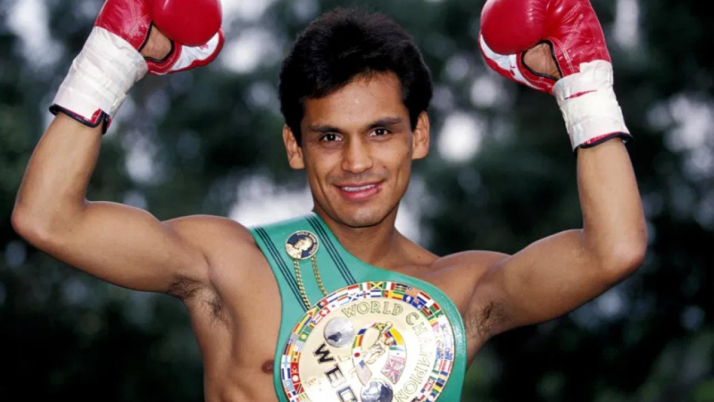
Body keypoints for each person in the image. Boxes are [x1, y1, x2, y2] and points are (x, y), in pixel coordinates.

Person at [11, 0, 647, 400]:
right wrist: (114, 52)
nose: (356, 162)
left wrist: (582, 80)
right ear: (296, 147)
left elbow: (613, 250)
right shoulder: (228, 264)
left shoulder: (463, 292)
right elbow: (48, 218)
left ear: (418, 136)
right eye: (329, 137)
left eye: (381, 132)